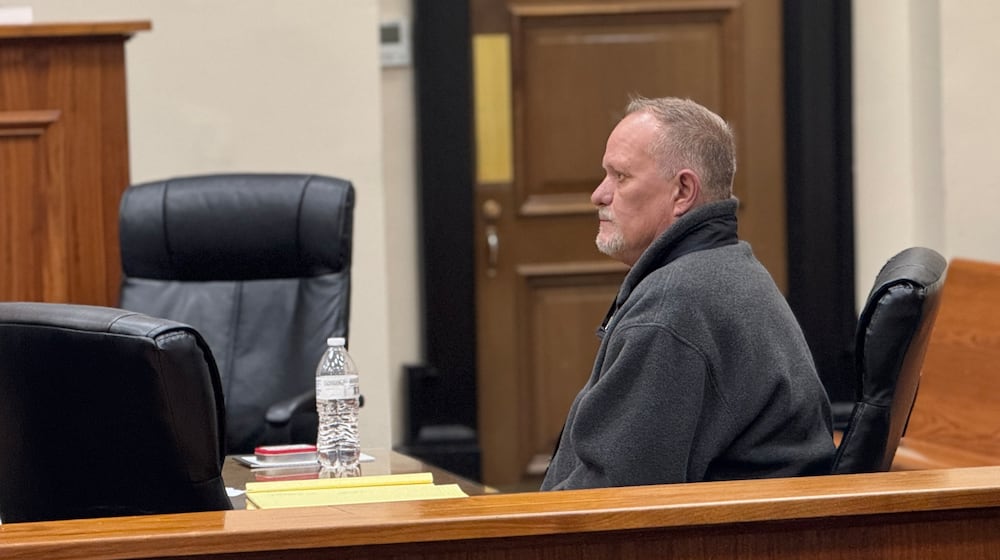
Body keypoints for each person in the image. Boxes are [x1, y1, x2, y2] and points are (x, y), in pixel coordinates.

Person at [540, 96, 836, 491]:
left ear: (683, 190)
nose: (599, 194)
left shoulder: (675, 306)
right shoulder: (723, 268)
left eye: (621, 177)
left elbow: (612, 502)